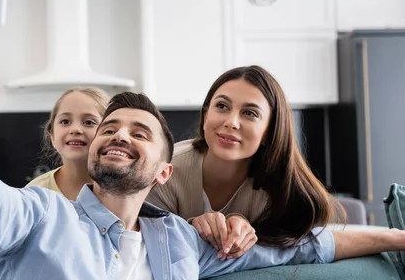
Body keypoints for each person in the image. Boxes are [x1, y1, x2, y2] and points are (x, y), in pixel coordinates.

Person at [0, 12, 405, 280]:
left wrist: (398, 238)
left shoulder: (181, 242)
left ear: (163, 172)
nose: (118, 135)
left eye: (140, 132)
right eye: (109, 128)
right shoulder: (41, 216)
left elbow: (307, 244)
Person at [147, 65, 345, 259]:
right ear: (206, 115)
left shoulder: (278, 186)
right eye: (222, 106)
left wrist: (252, 230)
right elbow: (147, 248)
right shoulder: (161, 170)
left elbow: (305, 243)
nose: (231, 122)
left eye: (250, 113)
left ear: (269, 130)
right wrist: (190, 228)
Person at [26, 87, 109, 200]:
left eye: (89, 122)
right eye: (65, 121)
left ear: (109, 133)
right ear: (52, 135)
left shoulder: (122, 191)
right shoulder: (34, 195)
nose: (75, 129)